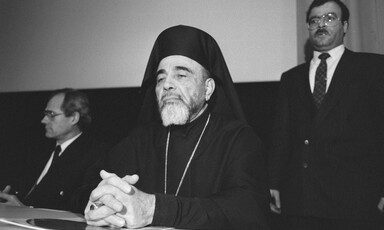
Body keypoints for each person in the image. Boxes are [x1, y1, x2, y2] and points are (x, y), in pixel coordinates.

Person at [84, 25, 270, 229]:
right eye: (160, 78)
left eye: (181, 75)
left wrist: (155, 209)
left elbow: (247, 210)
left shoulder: (238, 138)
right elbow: (85, 185)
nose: (167, 85)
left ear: (207, 89)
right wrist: (103, 200)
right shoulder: (141, 138)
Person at [268, 0, 384, 229]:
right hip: (301, 201)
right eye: (314, 20)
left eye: (330, 18)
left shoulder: (373, 68)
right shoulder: (290, 78)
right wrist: (273, 183)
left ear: (345, 26)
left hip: (356, 201)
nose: (321, 24)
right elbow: (281, 136)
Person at [0, 88, 109, 213]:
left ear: (73, 118)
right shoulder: (39, 148)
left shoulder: (95, 154)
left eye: (51, 115)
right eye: (45, 114)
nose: (44, 120)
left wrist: (24, 210)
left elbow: (77, 208)